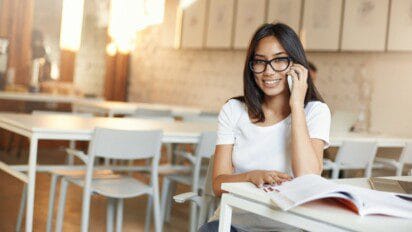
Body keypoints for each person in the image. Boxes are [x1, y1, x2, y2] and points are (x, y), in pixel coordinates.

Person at [199, 23, 331, 231]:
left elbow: (308, 178)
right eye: (260, 62)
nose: (268, 71)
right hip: (232, 223)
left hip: (287, 227)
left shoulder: (315, 112)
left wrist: (296, 104)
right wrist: (251, 176)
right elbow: (218, 184)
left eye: (279, 60)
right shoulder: (233, 110)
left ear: (296, 64)